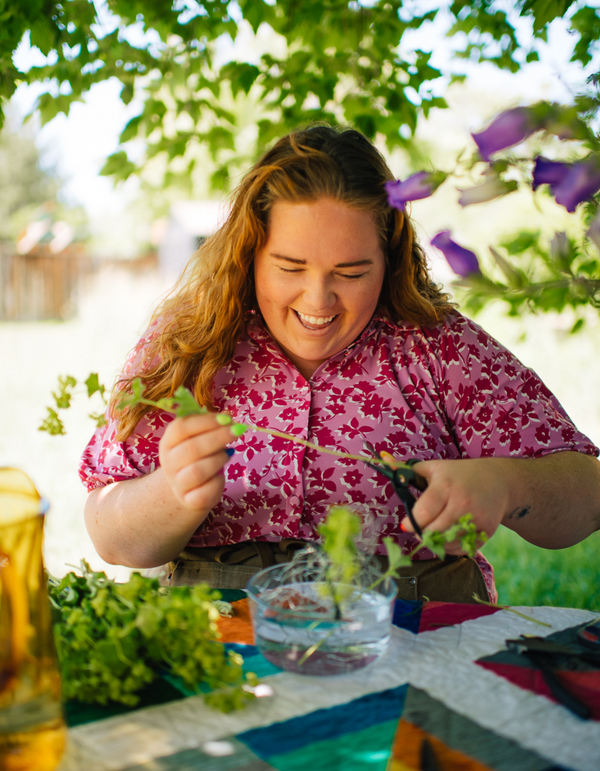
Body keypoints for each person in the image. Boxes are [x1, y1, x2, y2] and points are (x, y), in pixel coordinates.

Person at [80, 125, 600, 604]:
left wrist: (507, 486)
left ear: (389, 258)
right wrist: (174, 492)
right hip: (220, 633)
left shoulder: (438, 346)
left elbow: (587, 495)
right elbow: (110, 534)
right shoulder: (189, 343)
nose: (319, 299)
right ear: (250, 252)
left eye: (350, 272)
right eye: (290, 267)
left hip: (419, 627)